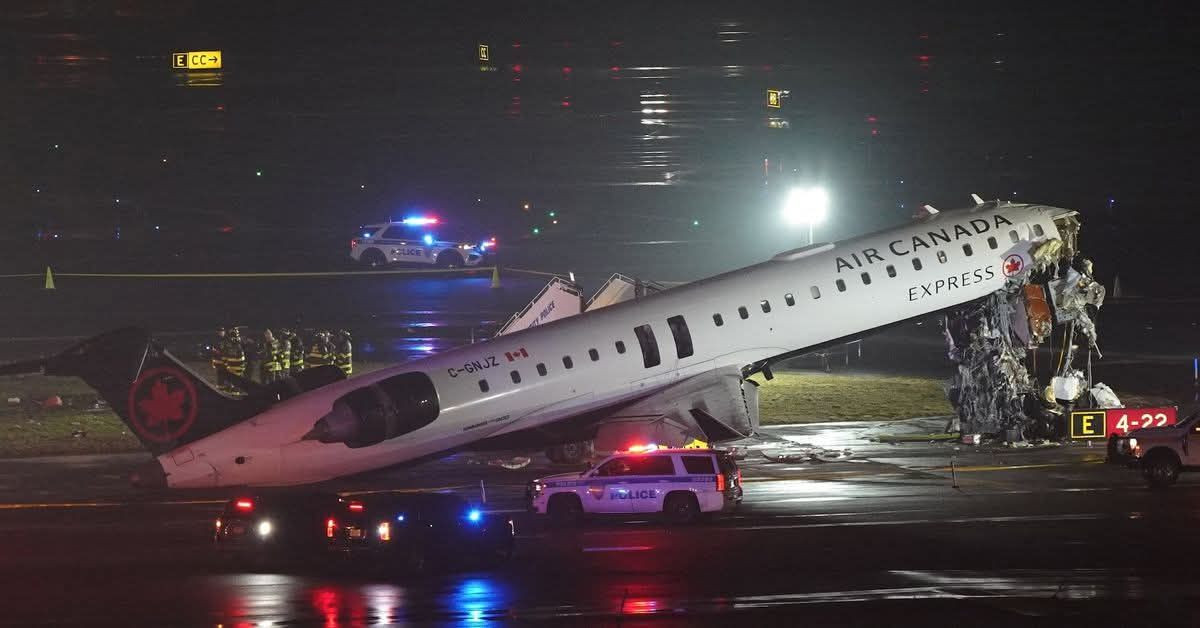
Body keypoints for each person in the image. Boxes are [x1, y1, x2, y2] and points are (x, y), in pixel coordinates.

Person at [221, 327, 246, 392]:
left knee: (236, 381)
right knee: (233, 381)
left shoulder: (239, 341)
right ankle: (234, 390)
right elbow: (225, 353)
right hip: (234, 366)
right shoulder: (228, 342)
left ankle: (236, 391)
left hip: (237, 366)